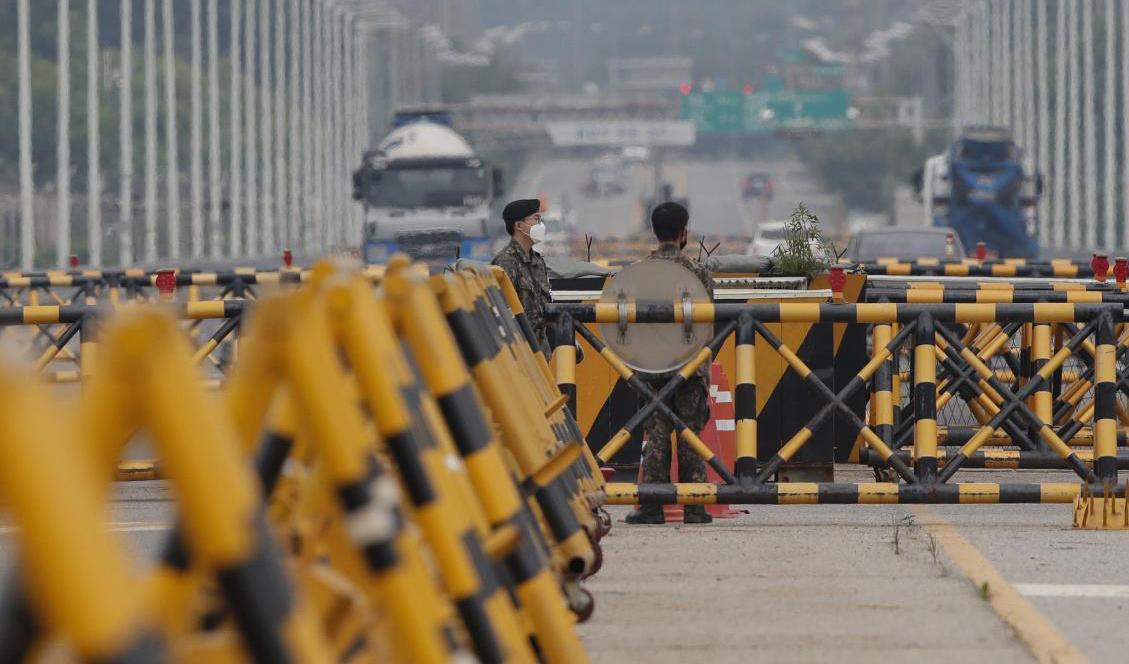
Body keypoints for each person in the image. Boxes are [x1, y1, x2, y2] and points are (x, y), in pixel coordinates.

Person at [625, 202, 714, 525]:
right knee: (690, 435)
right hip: (689, 365)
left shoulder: (640, 272)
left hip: (652, 365)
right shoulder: (698, 272)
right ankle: (695, 507)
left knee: (656, 434)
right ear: (683, 232)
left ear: (654, 231)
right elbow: (707, 320)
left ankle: (651, 507)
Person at [492, 198, 552, 354]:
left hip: (540, 352)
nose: (541, 224)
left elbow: (543, 310)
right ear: (519, 226)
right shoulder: (506, 262)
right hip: (519, 353)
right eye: (536, 219)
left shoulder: (537, 261)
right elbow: (499, 311)